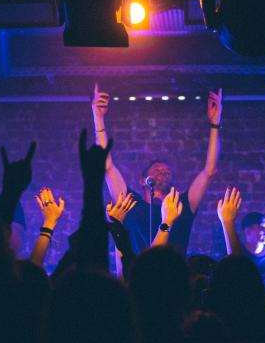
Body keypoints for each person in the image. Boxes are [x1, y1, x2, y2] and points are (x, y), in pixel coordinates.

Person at [91, 83, 222, 255]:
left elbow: (209, 171)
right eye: (156, 169)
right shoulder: (129, 203)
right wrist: (98, 119)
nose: (162, 171)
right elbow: (106, 167)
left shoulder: (182, 204)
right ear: (143, 181)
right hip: (136, 277)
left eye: (166, 171)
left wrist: (215, 125)